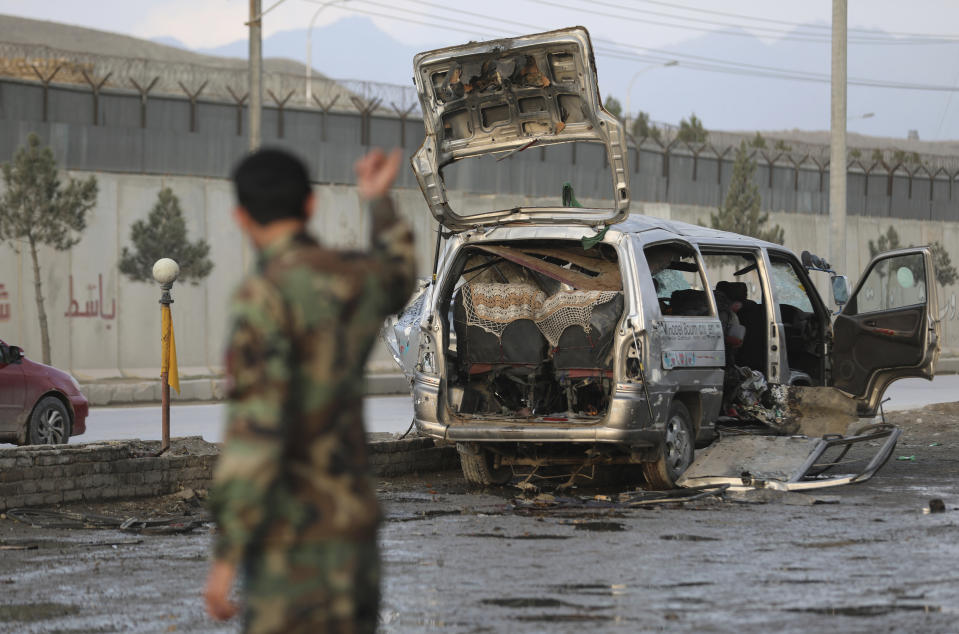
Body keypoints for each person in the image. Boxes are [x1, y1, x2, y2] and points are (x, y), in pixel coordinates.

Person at [204, 146, 415, 633]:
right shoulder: (355, 277)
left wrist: (226, 555)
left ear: (240, 217)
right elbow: (401, 275)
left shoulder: (264, 296)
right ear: (311, 206)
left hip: (290, 552)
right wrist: (378, 202)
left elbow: (256, 433)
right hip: (356, 542)